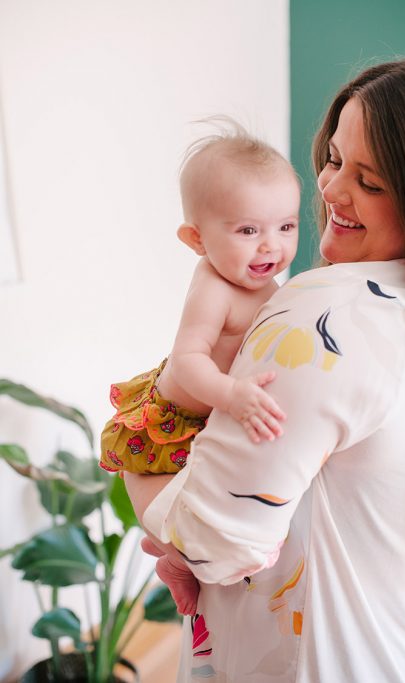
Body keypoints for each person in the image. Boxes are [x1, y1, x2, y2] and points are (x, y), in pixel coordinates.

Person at [125, 58, 405, 682]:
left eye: (371, 182)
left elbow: (214, 544)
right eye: (333, 158)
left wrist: (127, 453)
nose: (329, 191)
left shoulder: (331, 312)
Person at [99, 124, 301, 615]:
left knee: (198, 519)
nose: (270, 246)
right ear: (196, 238)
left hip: (208, 424)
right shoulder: (214, 285)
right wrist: (232, 394)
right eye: (248, 230)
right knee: (176, 526)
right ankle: (171, 561)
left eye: (286, 227)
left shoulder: (271, 284)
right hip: (171, 424)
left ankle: (177, 564)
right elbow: (190, 360)